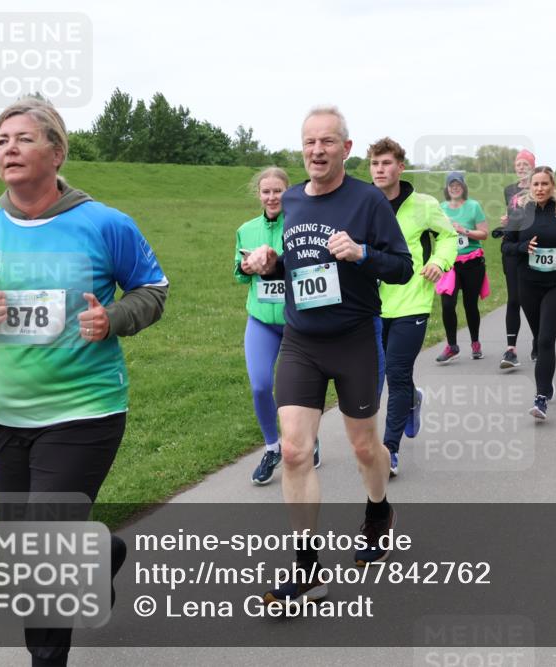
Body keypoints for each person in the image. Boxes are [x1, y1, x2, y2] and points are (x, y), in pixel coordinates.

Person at [0, 97, 167, 666]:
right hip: (6, 416)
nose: (9, 148)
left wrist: (112, 318)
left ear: (57, 152)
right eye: (2, 140)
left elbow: (152, 289)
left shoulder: (105, 223)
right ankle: (100, 554)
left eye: (24, 138)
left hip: (85, 410)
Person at [246, 107, 412, 606]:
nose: (317, 150)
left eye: (327, 141)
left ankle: (378, 510)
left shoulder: (367, 201)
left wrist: (363, 253)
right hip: (302, 342)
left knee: (363, 447)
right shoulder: (293, 199)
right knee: (295, 451)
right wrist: (271, 263)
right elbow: (299, 264)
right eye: (309, 142)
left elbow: (402, 267)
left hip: (355, 339)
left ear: (346, 148)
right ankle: (307, 570)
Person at [368, 137, 457, 477]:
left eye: (386, 163)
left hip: (412, 300)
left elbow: (448, 236)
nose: (380, 169)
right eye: (375, 164)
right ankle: (412, 400)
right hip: (372, 304)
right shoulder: (363, 204)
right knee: (378, 375)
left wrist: (438, 262)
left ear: (400, 167)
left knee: (396, 371)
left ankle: (389, 450)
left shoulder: (423, 205)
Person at [236, 167, 322, 486]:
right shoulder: (246, 229)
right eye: (266, 191)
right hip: (260, 320)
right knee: (260, 385)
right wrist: (246, 267)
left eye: (277, 191)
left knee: (295, 393)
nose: (272, 197)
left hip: (296, 323)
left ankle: (307, 439)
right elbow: (239, 274)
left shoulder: (301, 226)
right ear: (258, 194)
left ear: (289, 192)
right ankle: (272, 447)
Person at [502, 166, 556, 420]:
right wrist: (523, 247)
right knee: (539, 337)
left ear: (552, 185)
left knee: (546, 340)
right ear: (530, 186)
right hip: (528, 284)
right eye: (535, 184)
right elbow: (506, 246)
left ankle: (541, 397)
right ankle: (546, 383)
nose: (539, 188)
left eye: (544, 184)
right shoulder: (520, 213)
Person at [435, 171, 489, 363]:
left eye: (458, 185)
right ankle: (452, 346)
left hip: (472, 262)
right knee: (447, 304)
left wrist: (463, 230)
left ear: (463, 187)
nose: (455, 188)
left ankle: (475, 343)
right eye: (452, 185)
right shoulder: (440, 208)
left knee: (470, 305)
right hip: (449, 263)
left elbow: (484, 234)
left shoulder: (473, 206)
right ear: (447, 188)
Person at [496, 149, 537, 369]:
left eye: (525, 164)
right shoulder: (509, 190)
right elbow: (511, 214)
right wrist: (507, 220)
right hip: (512, 249)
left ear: (532, 166)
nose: (521, 167)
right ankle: (511, 349)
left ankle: (538, 340)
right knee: (514, 298)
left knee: (533, 299)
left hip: (533, 247)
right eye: (518, 164)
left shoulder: (538, 186)